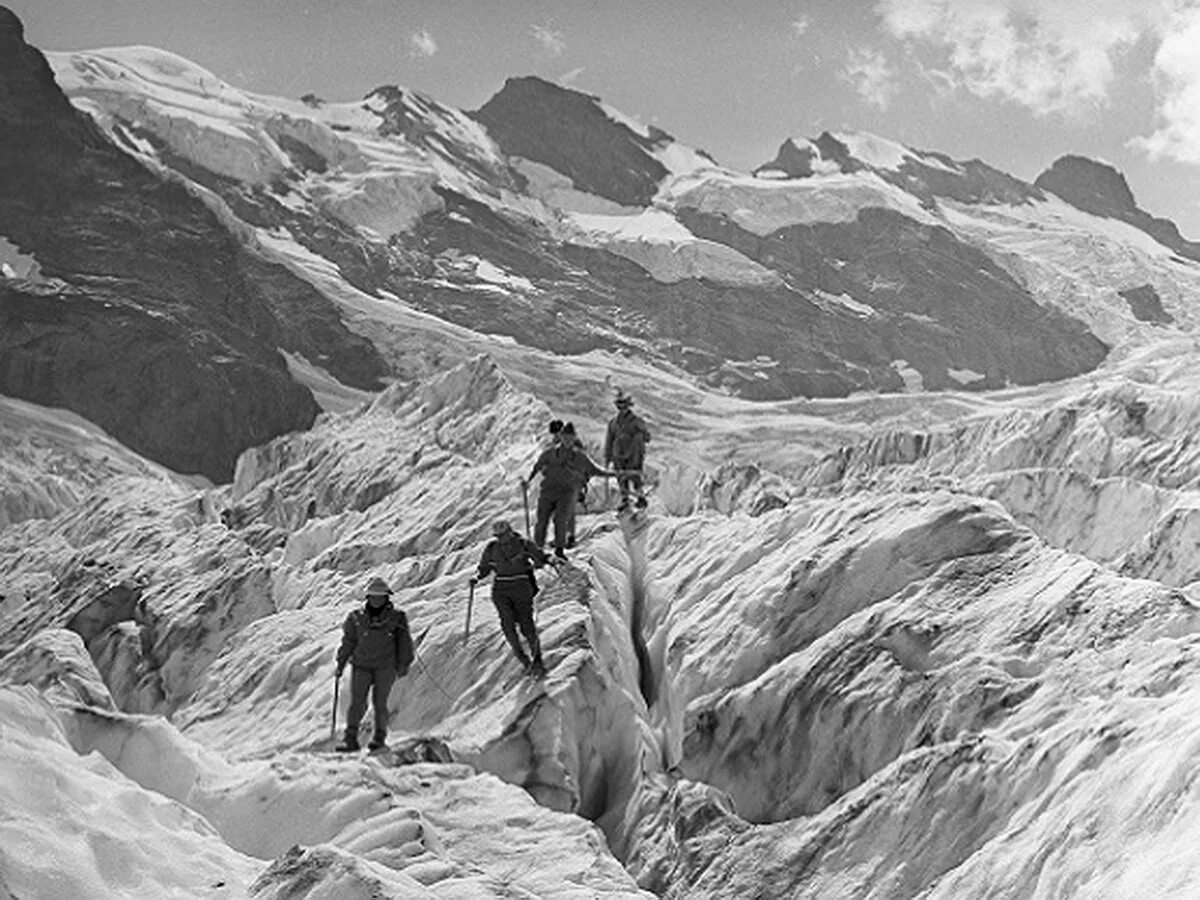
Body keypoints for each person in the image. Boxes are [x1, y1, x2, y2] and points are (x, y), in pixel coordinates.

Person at [335, 576, 414, 751]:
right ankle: (350, 739)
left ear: (386, 598)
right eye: (374, 596)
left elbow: (404, 642)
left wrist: (403, 664)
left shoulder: (397, 618)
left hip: (385, 667)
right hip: (361, 666)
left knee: (380, 703)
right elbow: (348, 642)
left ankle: (379, 738)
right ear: (368, 598)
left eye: (380, 597)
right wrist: (340, 663)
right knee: (357, 703)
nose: (377, 600)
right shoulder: (355, 618)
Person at [471, 520, 551, 677]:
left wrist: (548, 559)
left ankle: (537, 662)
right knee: (507, 625)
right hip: (501, 590)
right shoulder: (491, 548)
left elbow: (539, 555)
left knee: (526, 626)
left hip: (521, 586)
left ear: (510, 531)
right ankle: (524, 661)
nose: (501, 539)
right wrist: (477, 577)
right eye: (498, 536)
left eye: (503, 535)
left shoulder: (523, 544)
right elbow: (484, 568)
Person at [525, 426, 609, 559]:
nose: (567, 440)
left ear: (574, 438)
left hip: (566, 493)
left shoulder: (580, 457)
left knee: (560, 519)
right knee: (542, 520)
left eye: (570, 438)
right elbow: (537, 467)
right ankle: (537, 550)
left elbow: (595, 470)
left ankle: (559, 549)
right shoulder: (549, 454)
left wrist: (615, 474)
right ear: (560, 437)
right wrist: (527, 481)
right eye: (565, 437)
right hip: (548, 491)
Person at [604, 392, 651, 510]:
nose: (622, 408)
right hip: (618, 454)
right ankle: (625, 500)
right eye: (620, 406)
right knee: (621, 478)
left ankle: (640, 499)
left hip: (633, 454)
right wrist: (608, 455)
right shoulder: (613, 423)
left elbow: (647, 437)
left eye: (624, 406)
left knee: (634, 476)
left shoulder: (636, 420)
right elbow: (609, 439)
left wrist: (638, 437)